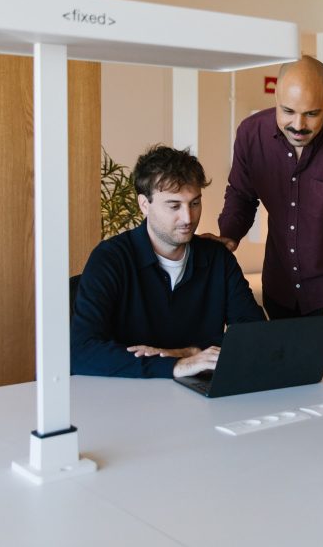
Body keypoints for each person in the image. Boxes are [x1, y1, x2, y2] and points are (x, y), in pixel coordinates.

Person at [208, 55, 323, 362]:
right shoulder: (251, 134)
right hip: (280, 285)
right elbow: (242, 194)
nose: (298, 125)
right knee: (283, 371)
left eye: (311, 114)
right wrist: (229, 237)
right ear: (276, 97)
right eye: (288, 111)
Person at [71, 145, 265, 378]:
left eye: (194, 203)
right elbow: (80, 352)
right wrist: (181, 362)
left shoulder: (217, 258)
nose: (188, 218)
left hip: (202, 398)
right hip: (127, 398)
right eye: (174, 206)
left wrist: (186, 353)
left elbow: (257, 338)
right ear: (144, 205)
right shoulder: (110, 259)